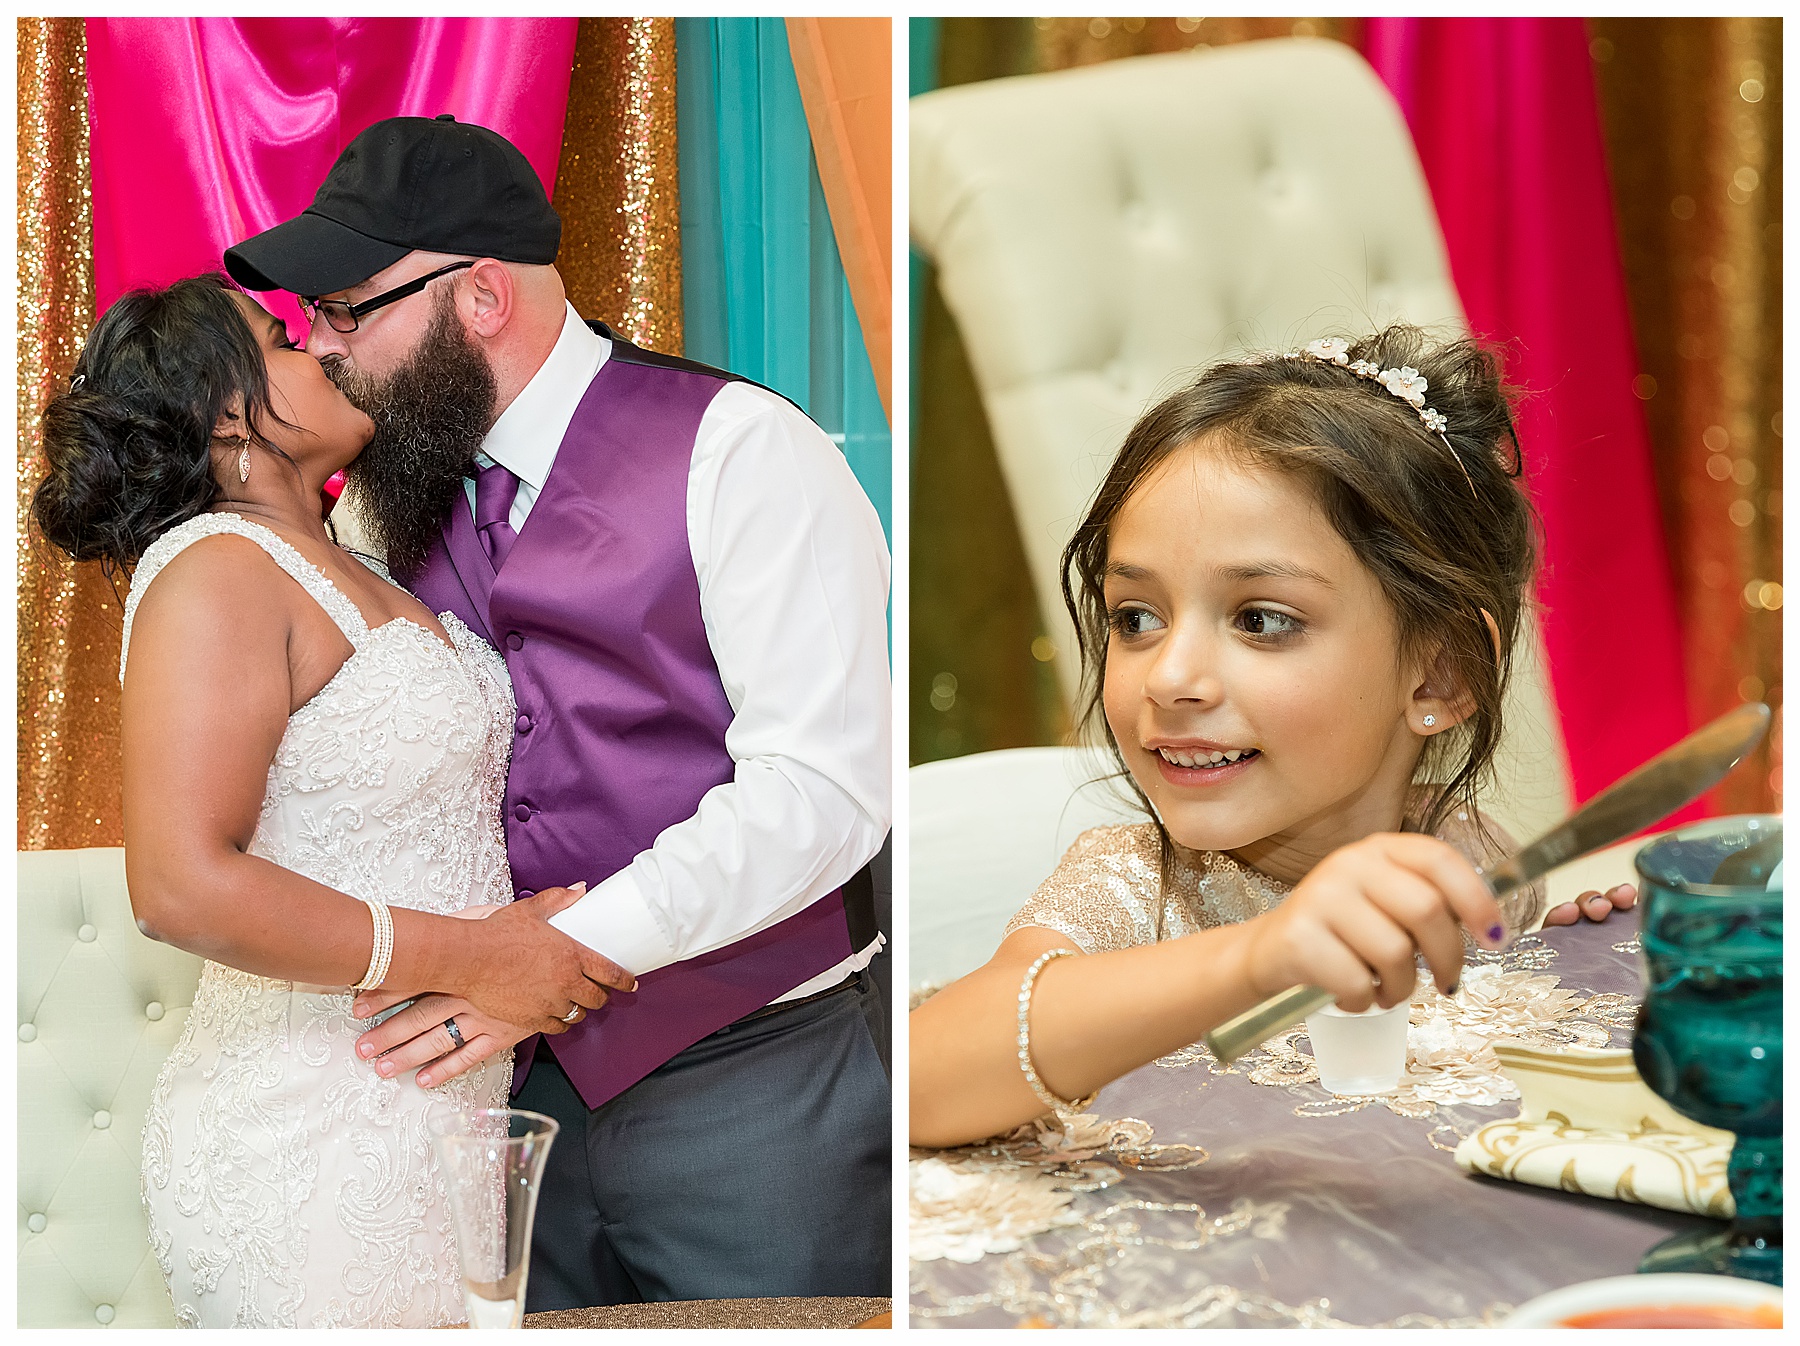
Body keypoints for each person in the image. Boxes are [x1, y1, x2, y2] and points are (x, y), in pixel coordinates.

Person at [221, 114, 893, 1307]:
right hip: (490, 1103)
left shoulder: (742, 451)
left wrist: (564, 952)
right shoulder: (383, 504)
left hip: (754, 1086)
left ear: (479, 293)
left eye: (345, 311)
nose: (323, 351)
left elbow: (823, 792)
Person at [32, 274, 635, 1326]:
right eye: (283, 339)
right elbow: (180, 885)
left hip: (432, 1118)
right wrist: (477, 954)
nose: (324, 342)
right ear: (227, 414)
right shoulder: (215, 569)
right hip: (309, 1130)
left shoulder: (355, 558)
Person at [910, 327, 1636, 1149]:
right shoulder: (1132, 888)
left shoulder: (1466, 854)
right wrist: (1261, 956)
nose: (1169, 677)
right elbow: (923, 1081)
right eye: (1135, 618)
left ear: (1440, 676)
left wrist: (1570, 974)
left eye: (1260, 621)